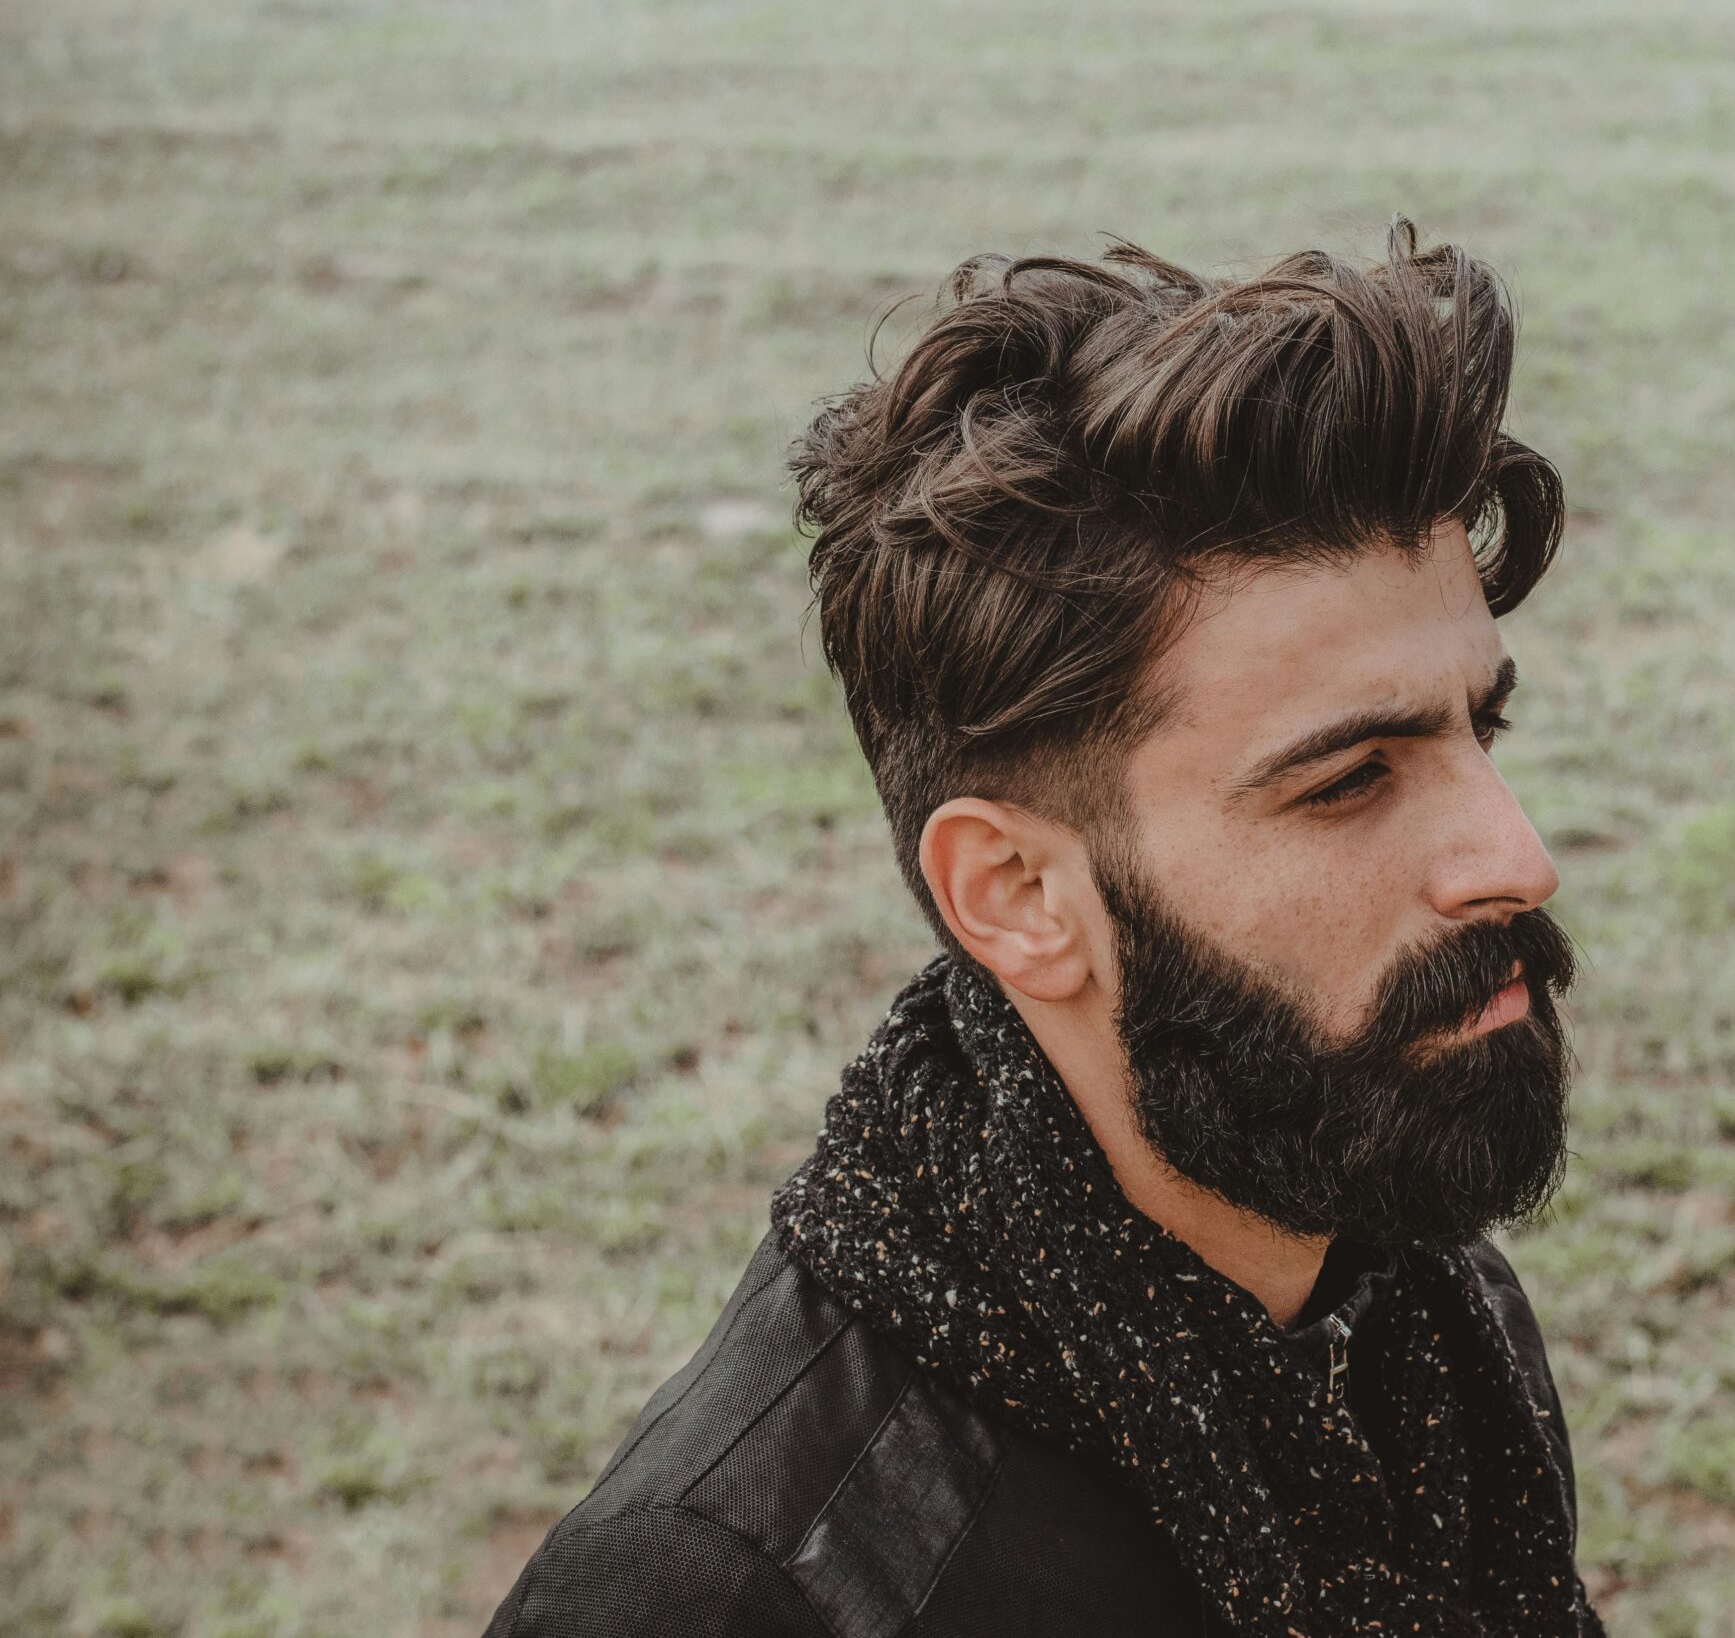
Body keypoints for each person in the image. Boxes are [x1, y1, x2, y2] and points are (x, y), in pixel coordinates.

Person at [481, 224, 1606, 1637]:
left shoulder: (1423, 1319)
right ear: (1018, 899)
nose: (1519, 858)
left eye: (1477, 730)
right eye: (1348, 780)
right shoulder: (746, 1589)